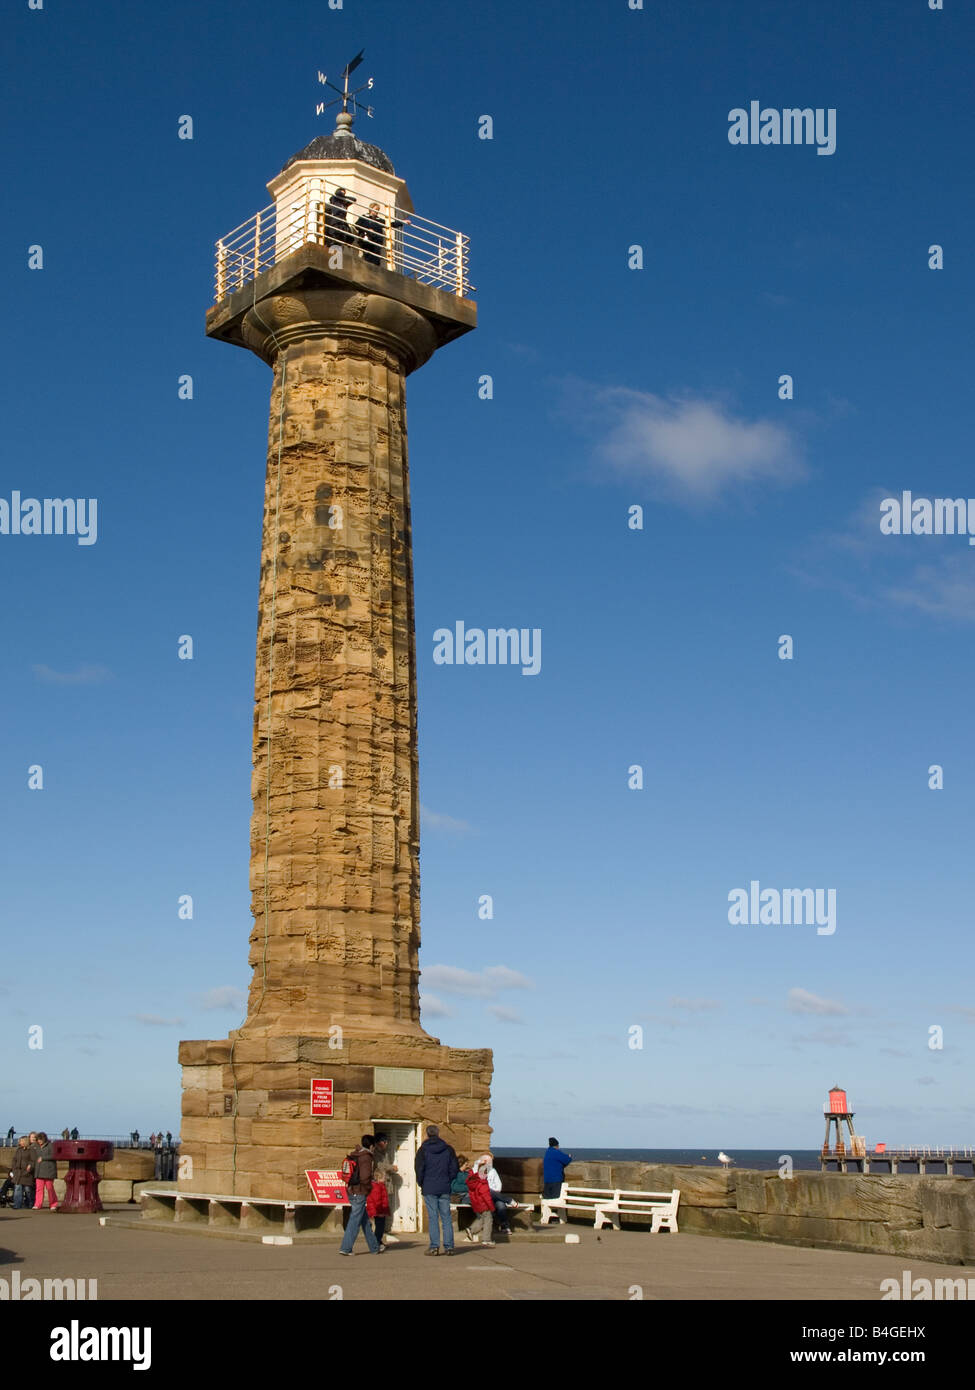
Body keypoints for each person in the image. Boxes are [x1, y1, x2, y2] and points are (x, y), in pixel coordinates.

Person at [415, 1124, 459, 1255]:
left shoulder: (423, 1150)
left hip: (429, 1186)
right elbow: (454, 1168)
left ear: (428, 1134)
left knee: (433, 1217)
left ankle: (434, 1246)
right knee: (446, 1217)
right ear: (438, 1133)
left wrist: (421, 1182)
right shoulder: (448, 1149)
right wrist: (448, 1179)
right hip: (444, 1186)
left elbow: (419, 1168)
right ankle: (449, 1246)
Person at [339, 1135, 382, 1255]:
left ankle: (374, 1247)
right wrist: (369, 1186)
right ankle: (346, 1248)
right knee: (355, 1221)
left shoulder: (355, 1154)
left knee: (364, 1220)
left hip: (351, 1189)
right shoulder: (366, 1157)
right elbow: (365, 1176)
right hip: (360, 1191)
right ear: (372, 1146)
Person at [367, 1131, 396, 1249]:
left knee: (383, 1213)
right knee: (379, 1214)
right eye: (385, 1141)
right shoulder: (375, 1153)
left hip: (386, 1184)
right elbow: (379, 1166)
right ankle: (376, 1241)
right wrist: (391, 1167)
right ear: (379, 1143)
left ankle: (378, 1239)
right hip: (378, 1186)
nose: (387, 1143)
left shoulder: (386, 1153)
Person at [354, 202, 406, 267]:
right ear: (371, 209)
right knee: (368, 256)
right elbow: (357, 225)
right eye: (375, 209)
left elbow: (391, 224)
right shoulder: (364, 217)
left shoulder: (379, 220)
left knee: (376, 259)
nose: (376, 211)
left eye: (377, 210)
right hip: (367, 240)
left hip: (376, 241)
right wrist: (367, 229)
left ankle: (374, 271)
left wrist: (402, 222)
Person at [478, 1153, 517, 1235]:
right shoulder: (478, 1170)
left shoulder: (493, 1171)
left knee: (501, 1205)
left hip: (495, 1195)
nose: (491, 1163)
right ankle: (509, 1200)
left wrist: (495, 1191)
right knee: (488, 1191)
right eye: (489, 1161)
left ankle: (505, 1227)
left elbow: (499, 1184)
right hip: (483, 1196)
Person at [463, 1158, 495, 1246]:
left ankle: (471, 1229)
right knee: (488, 1220)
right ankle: (486, 1239)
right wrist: (491, 1207)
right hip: (484, 1204)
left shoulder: (474, 1180)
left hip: (477, 1204)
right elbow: (486, 1196)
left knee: (482, 1219)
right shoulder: (483, 1182)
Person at [32, 1133, 59, 1210]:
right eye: (38, 1140)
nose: (39, 1141)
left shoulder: (50, 1145)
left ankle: (53, 1204)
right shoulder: (36, 1147)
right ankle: (38, 1204)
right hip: (39, 1170)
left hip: (49, 1171)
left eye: (40, 1140)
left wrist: (43, 1158)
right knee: (39, 1189)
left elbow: (54, 1155)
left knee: (50, 1188)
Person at [11, 1136, 32, 1209]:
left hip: (27, 1173)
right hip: (18, 1173)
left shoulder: (30, 1150)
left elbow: (32, 1160)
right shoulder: (18, 1150)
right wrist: (14, 1169)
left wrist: (29, 1167)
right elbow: (14, 1160)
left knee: (27, 1190)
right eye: (20, 1141)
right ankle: (17, 1205)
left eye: (22, 1141)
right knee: (17, 1189)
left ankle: (30, 1203)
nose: (21, 1142)